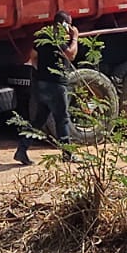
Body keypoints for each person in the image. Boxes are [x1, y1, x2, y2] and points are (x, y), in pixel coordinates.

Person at [22, 10, 79, 162]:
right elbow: (71, 55)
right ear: (65, 24)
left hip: (41, 83)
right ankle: (68, 155)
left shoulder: (43, 36)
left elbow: (32, 57)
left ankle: (22, 149)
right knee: (62, 119)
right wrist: (75, 38)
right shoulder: (58, 38)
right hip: (56, 84)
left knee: (39, 119)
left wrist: (40, 71)